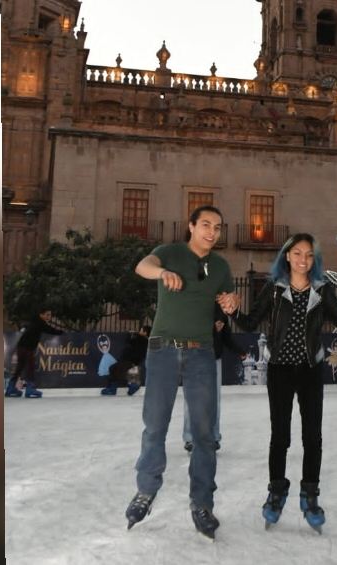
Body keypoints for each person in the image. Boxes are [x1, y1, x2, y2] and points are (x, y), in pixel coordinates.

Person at [217, 233, 337, 533]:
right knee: (280, 436)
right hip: (280, 370)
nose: (303, 259)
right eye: (297, 253)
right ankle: (276, 492)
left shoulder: (323, 291)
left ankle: (309, 495)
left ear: (314, 260)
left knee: (313, 437)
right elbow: (249, 323)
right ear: (287, 256)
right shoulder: (274, 289)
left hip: (310, 370)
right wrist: (232, 311)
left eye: (309, 255)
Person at [124, 205, 234, 540]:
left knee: (203, 435)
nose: (211, 232)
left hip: (201, 353)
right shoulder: (169, 252)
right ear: (191, 226)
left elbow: (228, 297)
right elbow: (143, 266)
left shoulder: (220, 266)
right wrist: (161, 273)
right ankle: (145, 491)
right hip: (162, 350)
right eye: (205, 225)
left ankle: (202, 503)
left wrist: (232, 302)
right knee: (155, 425)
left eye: (217, 226)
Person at [183, 305, 244, 452]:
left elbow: (226, 336)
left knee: (214, 400)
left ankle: (214, 436)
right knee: (192, 399)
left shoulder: (219, 310)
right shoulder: (192, 304)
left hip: (214, 359)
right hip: (194, 357)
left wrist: (240, 351)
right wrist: (212, 329)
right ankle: (190, 437)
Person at [6, 308, 64, 399]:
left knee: (20, 367)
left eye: (50, 315)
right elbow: (50, 330)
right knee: (30, 367)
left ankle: (10, 388)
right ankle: (30, 389)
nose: (49, 317)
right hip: (27, 348)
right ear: (41, 315)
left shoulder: (35, 321)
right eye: (47, 315)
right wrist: (62, 332)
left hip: (22, 347)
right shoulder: (40, 323)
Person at [102, 325, 150, 396]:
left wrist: (130, 335)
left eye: (141, 330)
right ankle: (132, 387)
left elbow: (129, 342)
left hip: (128, 359)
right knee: (120, 370)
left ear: (145, 332)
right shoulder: (146, 341)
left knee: (113, 369)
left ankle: (112, 389)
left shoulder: (139, 338)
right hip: (134, 361)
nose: (139, 331)